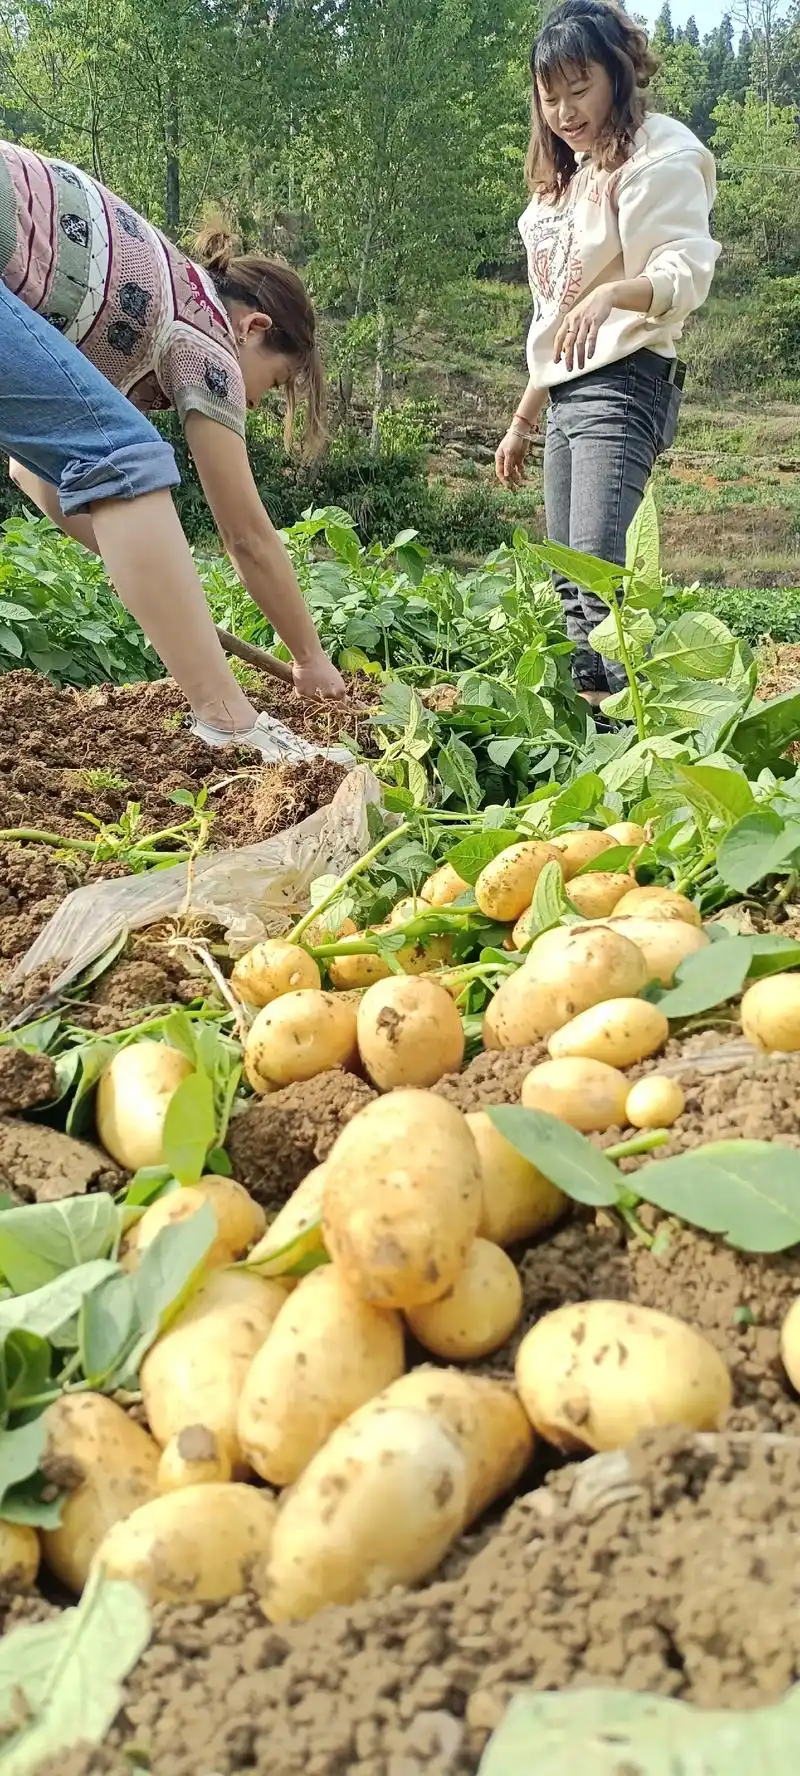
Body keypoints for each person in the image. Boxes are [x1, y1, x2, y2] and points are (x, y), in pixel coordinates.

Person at [0, 140, 346, 763]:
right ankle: (229, 723)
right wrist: (310, 659)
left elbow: (32, 469)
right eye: (272, 382)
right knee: (129, 456)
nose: (258, 403)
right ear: (255, 328)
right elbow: (246, 538)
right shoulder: (206, 331)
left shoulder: (157, 292)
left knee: (111, 454)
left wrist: (165, 592)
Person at [495, 0, 719, 708]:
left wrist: (615, 295)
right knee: (572, 580)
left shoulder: (660, 156)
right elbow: (555, 320)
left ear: (617, 77)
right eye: (550, 95)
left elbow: (687, 267)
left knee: (598, 573)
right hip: (569, 395)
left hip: (625, 383)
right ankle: (597, 737)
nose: (565, 109)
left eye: (580, 87)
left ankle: (635, 742)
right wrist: (525, 417)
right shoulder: (563, 183)